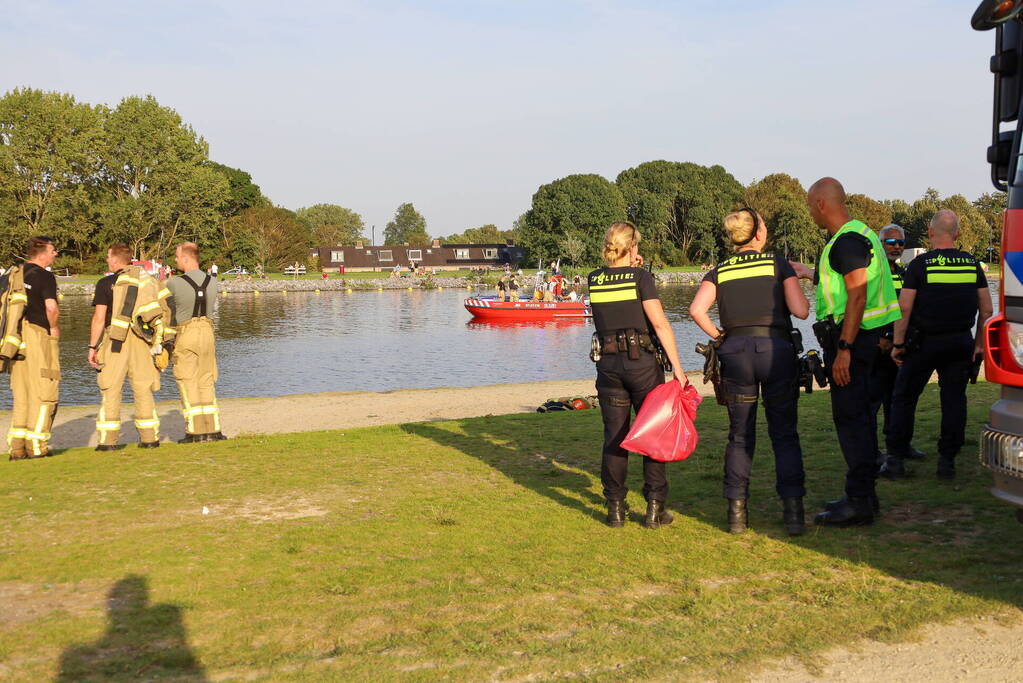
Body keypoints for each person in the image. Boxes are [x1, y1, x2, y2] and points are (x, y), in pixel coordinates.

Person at [689, 209, 810, 535]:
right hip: (776, 351)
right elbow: (800, 310)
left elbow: (696, 310)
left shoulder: (720, 270)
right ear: (757, 233)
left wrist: (720, 336)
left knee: (740, 437)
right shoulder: (777, 263)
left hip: (736, 354)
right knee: (784, 434)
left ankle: (737, 514)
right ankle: (794, 513)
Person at [791, 178, 900, 527]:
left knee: (852, 421)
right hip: (868, 341)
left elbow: (857, 295)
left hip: (855, 343)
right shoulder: (859, 235)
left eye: (810, 205)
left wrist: (843, 349)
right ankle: (864, 495)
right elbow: (844, 286)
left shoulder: (846, 242)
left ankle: (859, 502)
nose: (809, 212)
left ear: (822, 204)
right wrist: (810, 274)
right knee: (861, 419)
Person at [883, 210, 994, 479]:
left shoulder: (921, 265)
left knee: (904, 398)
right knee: (954, 401)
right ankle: (947, 461)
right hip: (959, 342)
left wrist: (898, 344)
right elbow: (987, 311)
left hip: (922, 343)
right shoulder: (971, 265)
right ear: (956, 234)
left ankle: (896, 460)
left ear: (930, 233)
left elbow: (905, 308)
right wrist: (979, 345)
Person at [588, 222, 684, 529]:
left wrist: (630, 266)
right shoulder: (641, 277)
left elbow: (615, 299)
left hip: (608, 367)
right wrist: (678, 370)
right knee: (652, 436)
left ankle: (615, 508)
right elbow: (659, 325)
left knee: (614, 439)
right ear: (632, 249)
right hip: (642, 365)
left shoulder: (594, 279)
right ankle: (655, 508)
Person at [87, 243, 172, 450]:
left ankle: (108, 442)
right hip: (142, 341)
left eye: (108, 257)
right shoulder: (149, 281)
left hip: (115, 340)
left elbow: (99, 318)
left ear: (115, 259)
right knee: (143, 390)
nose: (107, 260)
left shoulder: (105, 283)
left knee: (111, 390)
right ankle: (149, 438)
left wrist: (92, 347)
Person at [869, 225, 925, 467]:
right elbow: (866, 307)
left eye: (900, 243)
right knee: (872, 402)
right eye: (890, 242)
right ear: (880, 244)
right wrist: (880, 337)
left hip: (901, 348)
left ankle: (900, 446)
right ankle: (871, 451)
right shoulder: (873, 275)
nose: (896, 247)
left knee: (900, 400)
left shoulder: (904, 274)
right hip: (879, 347)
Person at [7, 237, 60, 459]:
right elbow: (51, 307)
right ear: (42, 254)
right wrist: (54, 329)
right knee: (45, 392)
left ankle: (17, 449)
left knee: (22, 395)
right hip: (38, 336)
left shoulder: (14, 274)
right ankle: (37, 448)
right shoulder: (45, 276)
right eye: (53, 250)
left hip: (15, 339)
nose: (55, 254)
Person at [166, 242, 225, 443]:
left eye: (177, 256)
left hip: (187, 332)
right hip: (208, 332)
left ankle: (195, 431)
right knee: (207, 380)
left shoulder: (174, 283)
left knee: (187, 380)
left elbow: (164, 308)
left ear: (186, 258)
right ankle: (213, 430)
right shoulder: (213, 281)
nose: (175, 260)